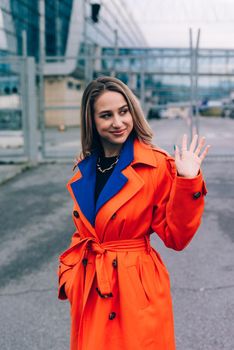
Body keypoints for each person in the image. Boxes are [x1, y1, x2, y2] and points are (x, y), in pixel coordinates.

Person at [57, 76, 210, 350]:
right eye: (106, 115)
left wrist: (187, 182)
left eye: (123, 111)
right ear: (91, 121)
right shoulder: (86, 168)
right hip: (91, 285)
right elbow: (82, 232)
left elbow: (177, 237)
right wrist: (69, 275)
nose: (118, 122)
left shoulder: (155, 164)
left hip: (136, 290)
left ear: (133, 112)